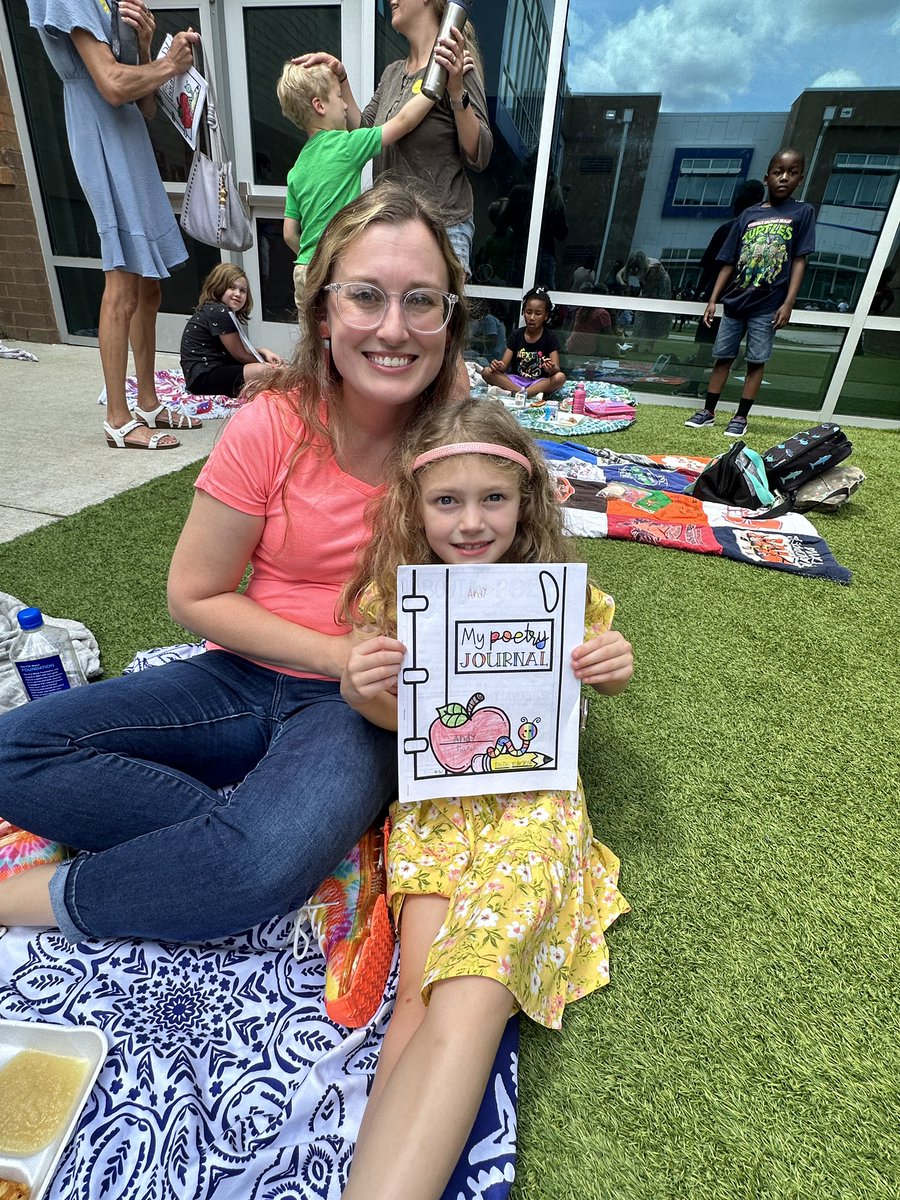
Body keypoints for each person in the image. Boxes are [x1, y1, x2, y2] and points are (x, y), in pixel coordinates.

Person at [0, 180, 468, 944]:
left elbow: (521, 577)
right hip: (241, 674)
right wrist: (331, 651)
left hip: (361, 710)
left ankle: (49, 894)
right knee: (16, 750)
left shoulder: (462, 436)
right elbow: (194, 594)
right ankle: (238, 843)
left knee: (253, 870)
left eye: (422, 300)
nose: (394, 327)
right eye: (365, 297)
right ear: (323, 312)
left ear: (450, 320)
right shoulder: (271, 423)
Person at [337, 396, 634, 1200]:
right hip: (435, 811)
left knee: (474, 986)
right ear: (415, 505)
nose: (472, 523)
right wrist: (360, 686)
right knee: (415, 999)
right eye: (448, 501)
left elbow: (594, 672)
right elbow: (400, 719)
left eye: (493, 498)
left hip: (532, 806)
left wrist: (612, 664)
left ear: (526, 501)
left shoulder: (562, 597)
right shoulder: (393, 601)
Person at [27, 0, 203, 450]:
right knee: (122, 280)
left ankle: (147, 402)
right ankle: (118, 419)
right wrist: (169, 63)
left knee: (149, 286)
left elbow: (143, 104)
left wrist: (146, 48)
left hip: (129, 136)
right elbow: (109, 84)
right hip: (99, 132)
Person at [295, 0, 492, 279]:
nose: (391, 1)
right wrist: (341, 79)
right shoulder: (393, 73)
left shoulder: (454, 65)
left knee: (433, 321)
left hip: (442, 228)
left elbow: (479, 153)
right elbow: (364, 130)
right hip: (391, 224)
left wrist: (457, 90)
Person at [277, 61, 435, 317]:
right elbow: (403, 122)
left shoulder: (296, 169)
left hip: (305, 269)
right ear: (320, 106)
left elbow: (289, 234)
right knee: (345, 341)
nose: (345, 105)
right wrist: (431, 90)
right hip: (335, 266)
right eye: (339, 97)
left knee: (315, 347)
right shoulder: (347, 146)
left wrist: (312, 256)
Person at [685, 149, 815, 438]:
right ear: (766, 178)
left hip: (767, 303)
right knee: (722, 356)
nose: (784, 178)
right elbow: (728, 262)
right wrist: (713, 299)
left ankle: (741, 416)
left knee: (757, 360)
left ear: (800, 179)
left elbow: (799, 260)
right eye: (779, 172)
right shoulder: (749, 215)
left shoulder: (802, 213)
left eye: (792, 173)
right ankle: (708, 411)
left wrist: (788, 301)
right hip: (735, 302)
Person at [675, 179, 766, 400]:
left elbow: (708, 268)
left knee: (713, 349)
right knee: (717, 349)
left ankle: (702, 388)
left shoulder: (732, 229)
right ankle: (703, 387)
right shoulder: (736, 230)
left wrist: (700, 296)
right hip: (731, 298)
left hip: (729, 299)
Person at [179, 264, 285, 397]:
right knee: (266, 371)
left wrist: (263, 352)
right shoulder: (219, 312)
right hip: (203, 378)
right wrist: (267, 365)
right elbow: (240, 355)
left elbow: (239, 349)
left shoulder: (218, 310)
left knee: (270, 371)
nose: (237, 294)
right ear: (218, 286)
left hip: (207, 372)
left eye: (243, 290)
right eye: (231, 287)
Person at [481, 286, 566, 400]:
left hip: (538, 383)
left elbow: (556, 370)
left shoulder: (550, 337)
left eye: (538, 313)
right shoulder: (516, 335)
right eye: (528, 312)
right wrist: (498, 366)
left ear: (546, 316)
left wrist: (550, 368)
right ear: (523, 312)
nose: (532, 317)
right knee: (486, 372)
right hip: (515, 381)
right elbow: (503, 367)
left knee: (560, 377)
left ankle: (520, 393)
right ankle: (522, 393)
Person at [616, 250, 673, 349]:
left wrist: (635, 302)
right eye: (631, 269)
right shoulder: (634, 263)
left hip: (659, 289)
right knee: (640, 314)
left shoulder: (654, 268)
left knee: (653, 317)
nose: (633, 272)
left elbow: (650, 293)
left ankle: (649, 345)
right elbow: (618, 275)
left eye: (636, 269)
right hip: (647, 287)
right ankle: (636, 344)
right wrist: (623, 284)